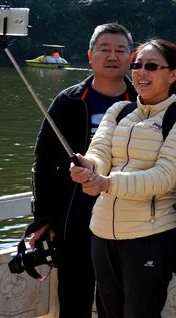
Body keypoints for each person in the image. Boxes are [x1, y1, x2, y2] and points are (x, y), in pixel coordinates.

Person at [70, 38, 176, 318]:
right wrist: (88, 167)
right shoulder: (119, 110)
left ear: (173, 74)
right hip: (102, 232)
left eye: (151, 66)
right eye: (137, 65)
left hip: (150, 236)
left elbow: (165, 177)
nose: (141, 72)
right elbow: (100, 153)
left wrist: (106, 183)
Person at [31, 23, 135, 317]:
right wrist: (44, 217)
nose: (112, 56)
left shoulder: (144, 102)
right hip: (74, 221)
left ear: (131, 57)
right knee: (73, 301)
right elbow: (43, 161)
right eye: (104, 49)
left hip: (127, 221)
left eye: (120, 50)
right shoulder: (69, 101)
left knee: (117, 304)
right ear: (90, 56)